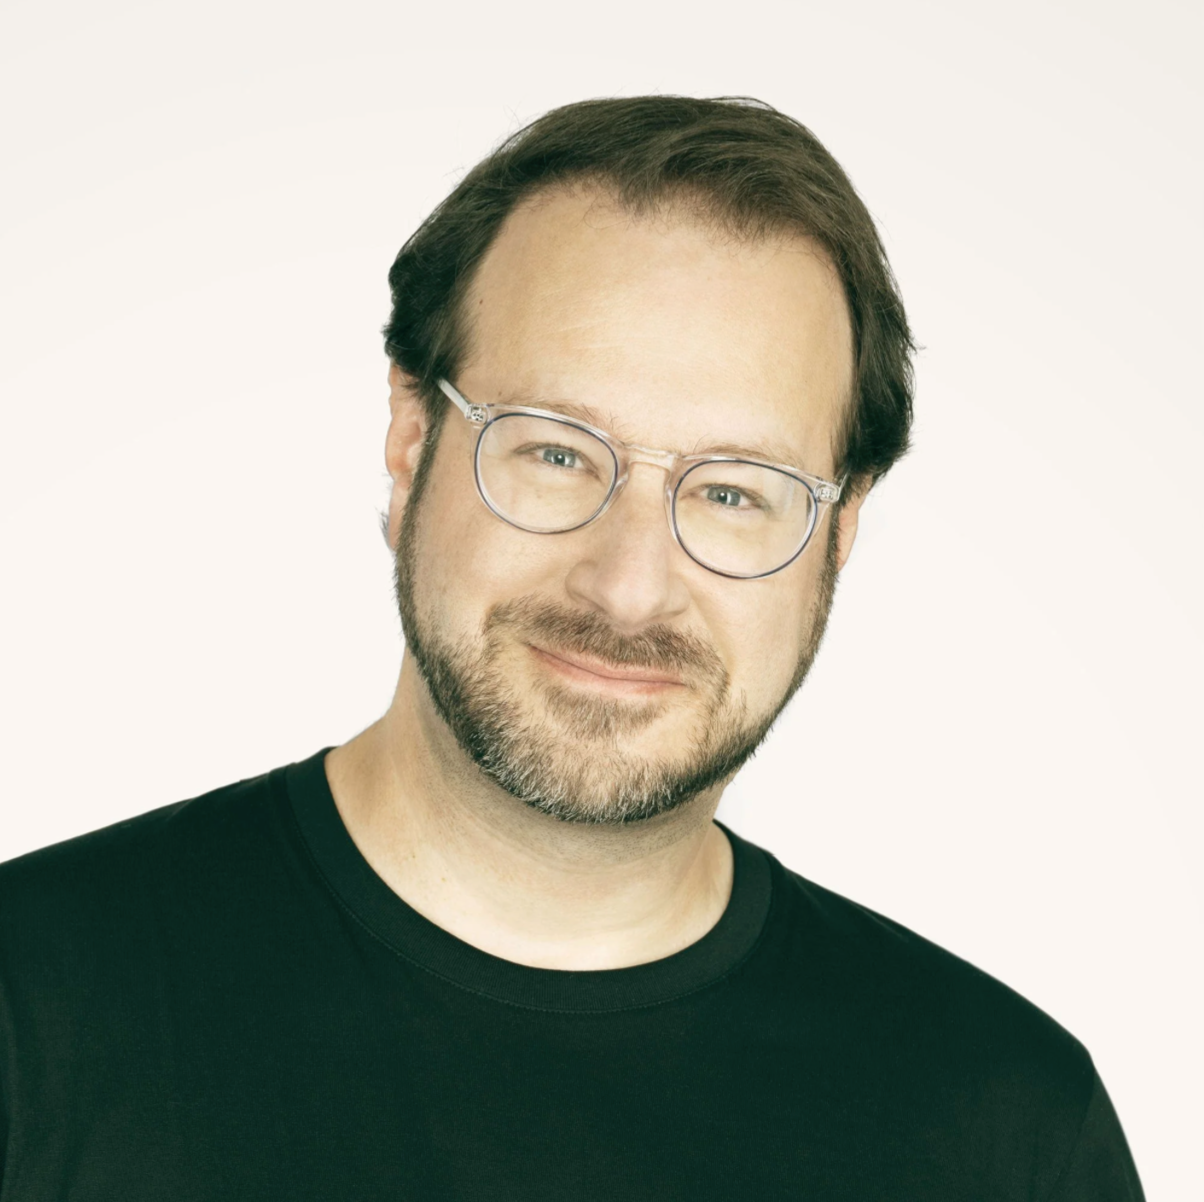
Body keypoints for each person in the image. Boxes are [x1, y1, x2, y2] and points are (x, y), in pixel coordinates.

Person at [0, 96, 1144, 1200]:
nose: (628, 583)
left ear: (837, 534)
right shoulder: (31, 1007)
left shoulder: (1007, 1129)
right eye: (554, 453)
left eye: (736, 491)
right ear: (410, 441)